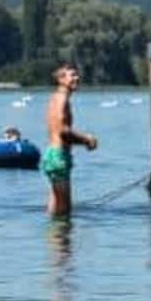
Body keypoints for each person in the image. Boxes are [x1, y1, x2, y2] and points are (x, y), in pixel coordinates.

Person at [42, 63, 98, 216]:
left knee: (57, 207)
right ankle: (61, 239)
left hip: (54, 155)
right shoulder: (61, 99)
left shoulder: (55, 98)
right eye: (72, 75)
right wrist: (87, 139)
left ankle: (57, 238)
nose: (77, 78)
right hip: (58, 156)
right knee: (63, 210)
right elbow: (62, 131)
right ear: (61, 79)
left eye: (76, 74)